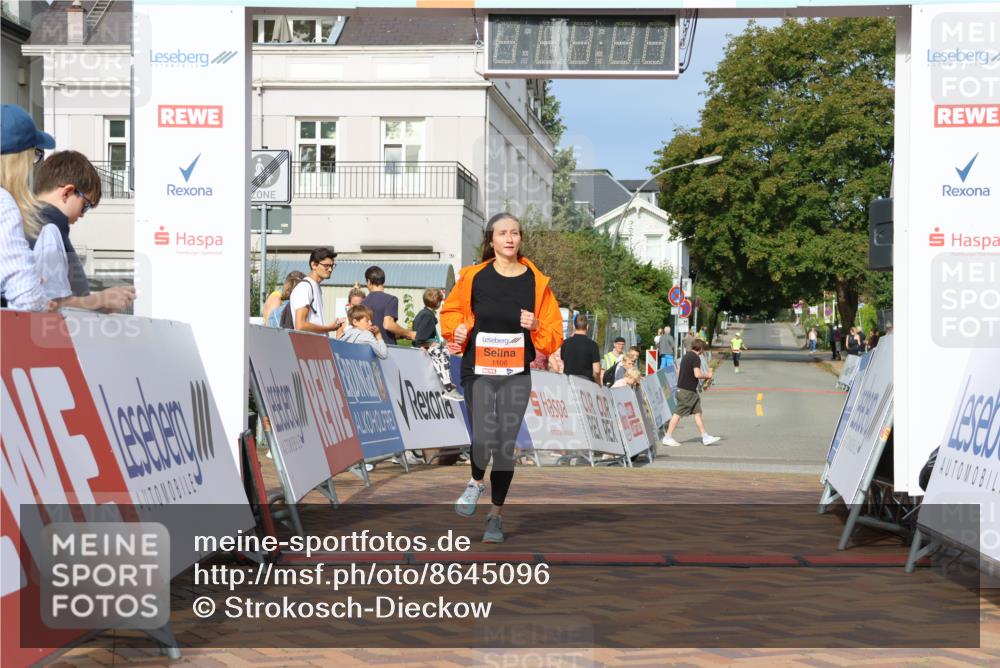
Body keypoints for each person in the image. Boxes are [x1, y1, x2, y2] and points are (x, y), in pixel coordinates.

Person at [442, 212, 562, 543]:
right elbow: (450, 313)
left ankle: (495, 516)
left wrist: (536, 326)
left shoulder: (536, 282)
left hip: (515, 371)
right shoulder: (472, 277)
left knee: (505, 444)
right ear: (491, 240)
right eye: (503, 233)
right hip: (477, 368)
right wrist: (458, 328)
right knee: (483, 435)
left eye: (515, 233)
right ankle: (476, 481)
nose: (510, 239)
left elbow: (553, 332)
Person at [31, 150, 135, 311]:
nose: (82, 215)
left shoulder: (28, 224)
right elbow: (50, 304)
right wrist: (99, 299)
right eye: (86, 205)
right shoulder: (49, 229)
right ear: (66, 192)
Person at [1, 104, 53, 311]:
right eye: (33, 155)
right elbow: (26, 299)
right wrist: (41, 299)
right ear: (16, 160)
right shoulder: (3, 204)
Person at [661, 339, 721, 447]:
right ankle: (668, 437)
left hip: (686, 390)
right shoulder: (696, 358)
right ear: (701, 348)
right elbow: (697, 374)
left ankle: (705, 437)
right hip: (687, 391)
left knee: (698, 413)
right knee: (678, 414)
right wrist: (708, 375)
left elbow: (679, 371)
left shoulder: (686, 356)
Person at [290, 247, 344, 335]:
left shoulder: (315, 286)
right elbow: (300, 325)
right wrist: (329, 328)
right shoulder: (305, 287)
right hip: (309, 346)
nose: (330, 269)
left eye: (332, 266)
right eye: (326, 266)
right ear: (314, 265)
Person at [363, 265, 415, 345]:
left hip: (367, 346)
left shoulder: (362, 303)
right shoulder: (391, 300)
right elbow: (388, 325)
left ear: (369, 282)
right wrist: (409, 334)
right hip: (386, 348)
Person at [560, 314, 601, 383]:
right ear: (587, 327)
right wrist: (598, 383)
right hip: (586, 384)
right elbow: (596, 371)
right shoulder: (593, 345)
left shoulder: (565, 343)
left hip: (569, 382)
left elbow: (564, 362)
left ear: (574, 326)